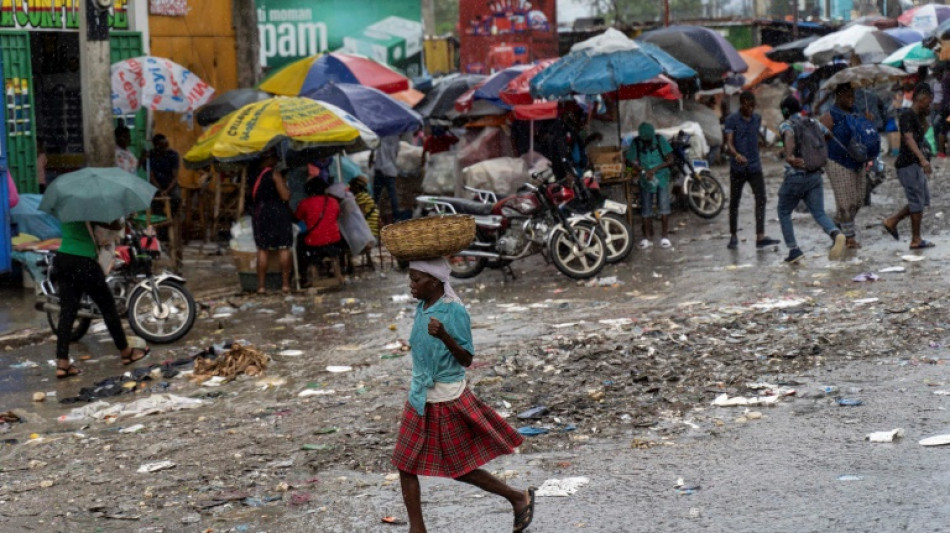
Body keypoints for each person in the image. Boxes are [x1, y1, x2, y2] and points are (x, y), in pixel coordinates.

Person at [394, 258, 536, 533]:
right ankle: (417, 528)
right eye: (410, 278)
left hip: (446, 398)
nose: (411, 285)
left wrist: (445, 335)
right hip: (419, 395)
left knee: (460, 469)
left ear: (434, 281)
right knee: (405, 463)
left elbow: (467, 358)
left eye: (416, 279)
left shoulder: (454, 312)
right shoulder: (423, 307)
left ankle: (518, 497)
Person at [52, 219, 149, 378]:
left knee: (67, 312)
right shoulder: (89, 206)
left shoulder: (66, 207)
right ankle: (126, 352)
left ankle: (62, 363)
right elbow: (111, 226)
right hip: (85, 261)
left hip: (63, 258)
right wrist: (119, 222)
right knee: (108, 308)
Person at [776, 95, 847, 264]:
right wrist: (816, 152)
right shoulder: (813, 122)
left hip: (796, 175)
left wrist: (789, 155)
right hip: (815, 174)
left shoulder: (787, 124)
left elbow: (788, 134)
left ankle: (794, 250)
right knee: (819, 212)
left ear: (785, 111)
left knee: (784, 211)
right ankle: (836, 233)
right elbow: (828, 134)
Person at [723, 91, 779, 250]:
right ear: (742, 104)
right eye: (748, 106)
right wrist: (736, 155)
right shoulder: (731, 120)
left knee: (761, 199)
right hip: (737, 168)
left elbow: (756, 135)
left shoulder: (757, 118)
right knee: (735, 201)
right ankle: (733, 236)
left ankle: (760, 236)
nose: (751, 109)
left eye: (753, 106)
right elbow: (729, 143)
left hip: (755, 166)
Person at [883, 83, 936, 250]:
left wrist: (926, 116)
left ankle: (892, 221)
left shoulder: (918, 117)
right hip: (907, 165)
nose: (929, 105)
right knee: (916, 201)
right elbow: (908, 138)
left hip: (915, 165)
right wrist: (922, 159)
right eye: (928, 103)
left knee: (921, 200)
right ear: (921, 100)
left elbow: (923, 134)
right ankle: (915, 239)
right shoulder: (906, 116)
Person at [820, 83, 868, 249]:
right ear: (838, 96)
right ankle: (849, 237)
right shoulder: (829, 116)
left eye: (852, 95)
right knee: (846, 203)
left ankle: (837, 225)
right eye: (847, 96)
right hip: (837, 161)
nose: (851, 99)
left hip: (856, 160)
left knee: (859, 200)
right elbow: (820, 139)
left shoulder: (857, 112)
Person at [250, 150, 293, 294]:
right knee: (283, 247)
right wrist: (285, 186)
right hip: (277, 213)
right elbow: (285, 196)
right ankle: (285, 284)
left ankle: (261, 286)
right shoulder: (275, 174)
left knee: (262, 249)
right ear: (270, 160)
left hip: (260, 214)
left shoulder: (253, 175)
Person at [625, 122, 674, 249]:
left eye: (648, 141)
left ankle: (664, 236)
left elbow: (670, 159)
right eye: (644, 141)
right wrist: (639, 168)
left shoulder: (660, 139)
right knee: (646, 209)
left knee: (664, 207)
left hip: (661, 177)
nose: (646, 143)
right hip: (645, 179)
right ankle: (647, 237)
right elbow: (629, 160)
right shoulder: (636, 142)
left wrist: (655, 169)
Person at [294, 177, 343, 286]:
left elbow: (298, 217)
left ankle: (307, 277)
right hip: (334, 241)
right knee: (335, 249)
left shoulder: (304, 203)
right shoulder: (334, 201)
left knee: (301, 245)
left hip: (314, 243)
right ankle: (338, 275)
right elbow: (336, 216)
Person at [144, 134, 181, 214]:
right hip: (156, 185)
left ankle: (170, 218)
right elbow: (151, 176)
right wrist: (160, 190)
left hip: (170, 185)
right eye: (161, 147)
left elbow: (175, 177)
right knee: (154, 201)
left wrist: (166, 191)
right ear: (156, 146)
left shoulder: (173, 155)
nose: (165, 148)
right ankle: (160, 220)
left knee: (176, 198)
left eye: (166, 146)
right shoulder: (151, 155)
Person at [372, 135, 401, 219]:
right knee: (393, 197)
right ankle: (396, 218)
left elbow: (375, 150)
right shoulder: (395, 138)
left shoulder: (380, 136)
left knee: (376, 197)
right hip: (390, 170)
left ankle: (373, 217)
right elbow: (396, 153)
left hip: (379, 169)